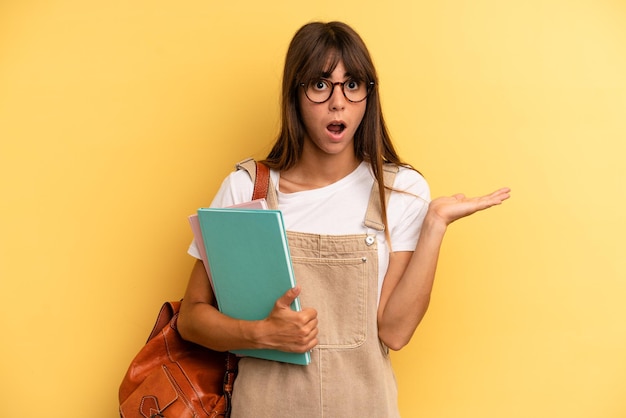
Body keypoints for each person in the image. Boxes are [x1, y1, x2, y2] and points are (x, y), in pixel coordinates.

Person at [178, 21, 510, 418]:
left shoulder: (399, 192)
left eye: (352, 85)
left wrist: (435, 225)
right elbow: (192, 318)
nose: (338, 102)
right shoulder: (247, 189)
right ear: (295, 95)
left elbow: (394, 331)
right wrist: (261, 333)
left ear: (368, 95)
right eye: (321, 85)